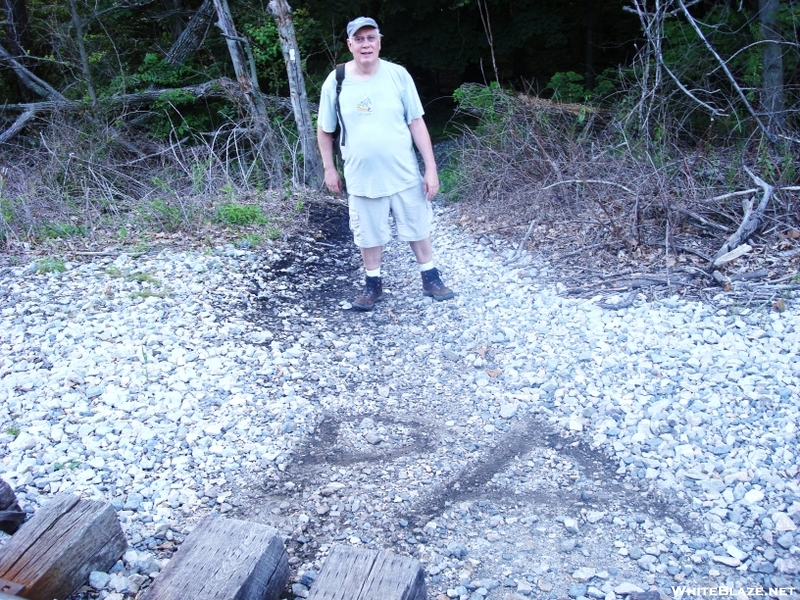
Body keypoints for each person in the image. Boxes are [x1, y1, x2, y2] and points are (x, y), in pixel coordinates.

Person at [316, 16, 455, 311]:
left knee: (417, 225)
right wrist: (329, 168)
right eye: (360, 39)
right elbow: (325, 129)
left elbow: (416, 122)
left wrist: (430, 168)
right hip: (361, 175)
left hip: (403, 170)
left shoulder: (398, 75)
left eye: (371, 38)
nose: (366, 44)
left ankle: (431, 278)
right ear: (349, 44)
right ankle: (372, 285)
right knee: (368, 232)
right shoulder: (337, 80)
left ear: (379, 42)